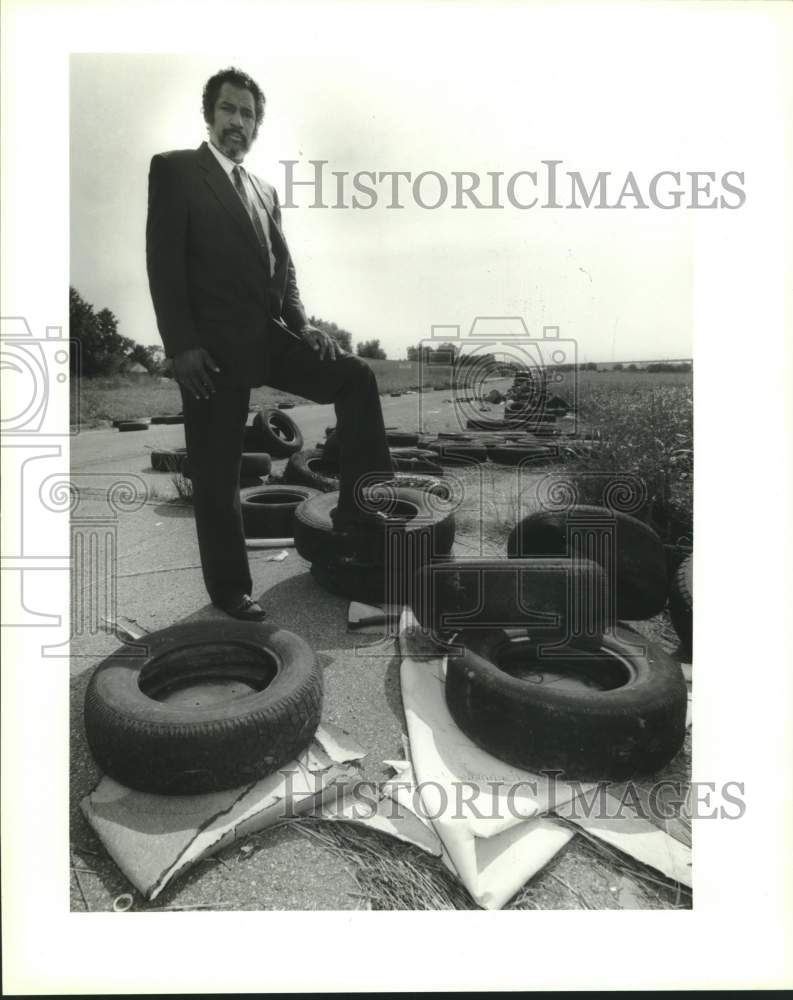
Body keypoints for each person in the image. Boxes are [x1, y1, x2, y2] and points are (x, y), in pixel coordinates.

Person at [146, 66, 393, 621]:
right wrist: (180, 346)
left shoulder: (264, 190)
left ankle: (361, 514)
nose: (239, 122)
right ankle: (231, 589)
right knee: (216, 470)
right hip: (208, 353)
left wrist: (302, 324)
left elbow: (285, 267)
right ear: (209, 115)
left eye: (249, 114)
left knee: (355, 376)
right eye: (229, 110)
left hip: (269, 337)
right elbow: (162, 263)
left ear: (258, 124)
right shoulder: (177, 170)